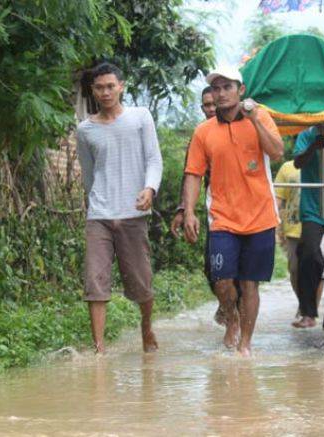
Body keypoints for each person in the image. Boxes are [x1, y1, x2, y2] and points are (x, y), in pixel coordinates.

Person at [183, 66, 284, 357]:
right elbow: (193, 173)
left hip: (260, 215)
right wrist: (189, 211)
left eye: (227, 87)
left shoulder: (260, 117)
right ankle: (232, 318)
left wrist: (254, 120)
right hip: (223, 218)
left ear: (241, 90)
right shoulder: (203, 131)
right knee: (223, 280)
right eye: (216, 88)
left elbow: (277, 152)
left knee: (249, 283)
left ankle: (245, 343)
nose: (221, 93)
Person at [76, 62, 163, 354]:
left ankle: (146, 326)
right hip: (99, 215)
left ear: (121, 86)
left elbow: (154, 159)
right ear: (93, 90)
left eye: (110, 86)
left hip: (133, 214)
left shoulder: (140, 118)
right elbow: (89, 175)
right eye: (99, 87)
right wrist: (97, 202)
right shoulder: (85, 130)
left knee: (141, 283)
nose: (105, 92)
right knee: (95, 281)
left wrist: (149, 188)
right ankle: (99, 349)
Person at [170, 86, 236, 325]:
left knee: (243, 274)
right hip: (216, 210)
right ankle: (227, 308)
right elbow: (191, 174)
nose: (210, 109)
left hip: (245, 208)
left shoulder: (240, 127)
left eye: (213, 104)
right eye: (205, 105)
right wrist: (183, 209)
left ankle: (237, 321)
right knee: (213, 268)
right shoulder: (201, 134)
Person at [291, 123, 324, 330]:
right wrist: (314, 146)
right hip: (312, 206)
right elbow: (298, 163)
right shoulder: (306, 134)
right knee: (309, 255)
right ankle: (308, 312)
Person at [274, 160, 302, 317]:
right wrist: (274, 223)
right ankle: (303, 302)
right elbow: (278, 198)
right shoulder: (287, 168)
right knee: (294, 270)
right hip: (293, 227)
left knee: (318, 271)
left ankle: (308, 309)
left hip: (319, 225)